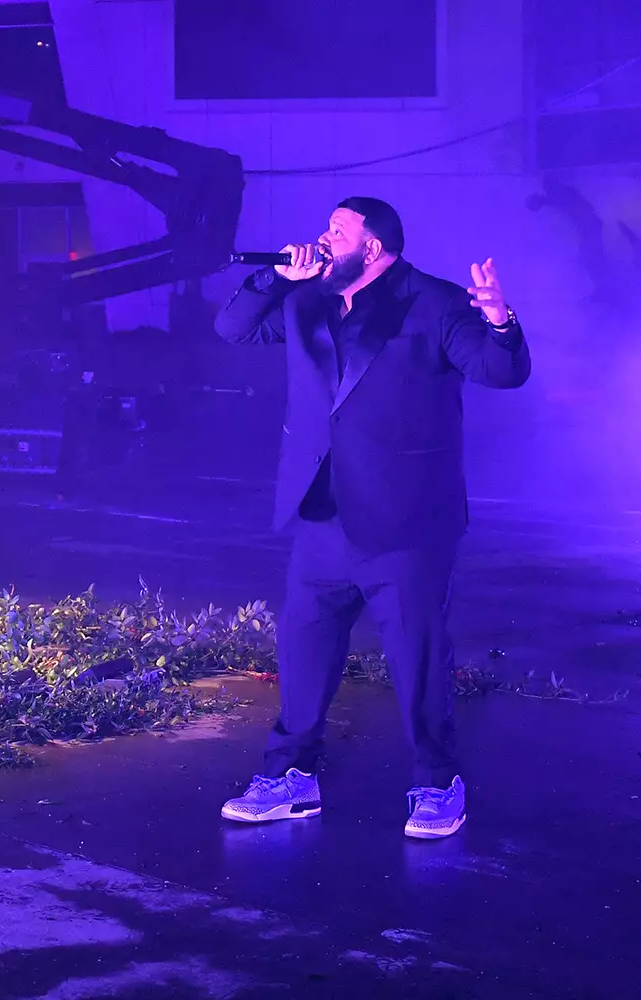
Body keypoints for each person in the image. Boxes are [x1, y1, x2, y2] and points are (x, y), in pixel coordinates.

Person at [212, 197, 531, 839]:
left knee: (415, 657)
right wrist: (278, 277)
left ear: (375, 248)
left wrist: (500, 320)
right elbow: (233, 327)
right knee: (303, 648)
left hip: (407, 519)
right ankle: (291, 776)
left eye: (338, 230)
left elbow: (502, 371)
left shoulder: (434, 302)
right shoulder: (307, 298)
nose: (323, 239)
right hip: (322, 512)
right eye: (326, 227)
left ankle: (437, 782)